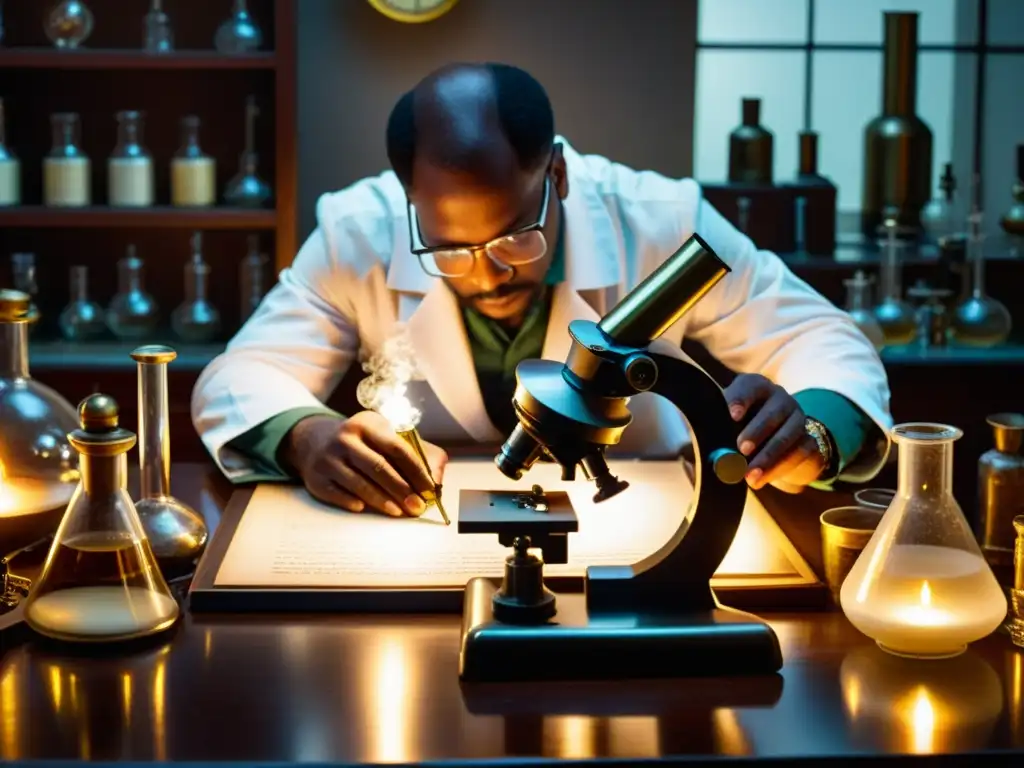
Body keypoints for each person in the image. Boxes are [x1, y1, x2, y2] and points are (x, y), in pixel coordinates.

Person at [191, 62, 893, 518]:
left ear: (556, 176)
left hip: (631, 527)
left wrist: (818, 433)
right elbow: (239, 376)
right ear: (408, 199)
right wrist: (305, 436)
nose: (488, 272)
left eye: (512, 237)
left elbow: (824, 339)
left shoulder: (661, 221)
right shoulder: (358, 230)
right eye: (450, 248)